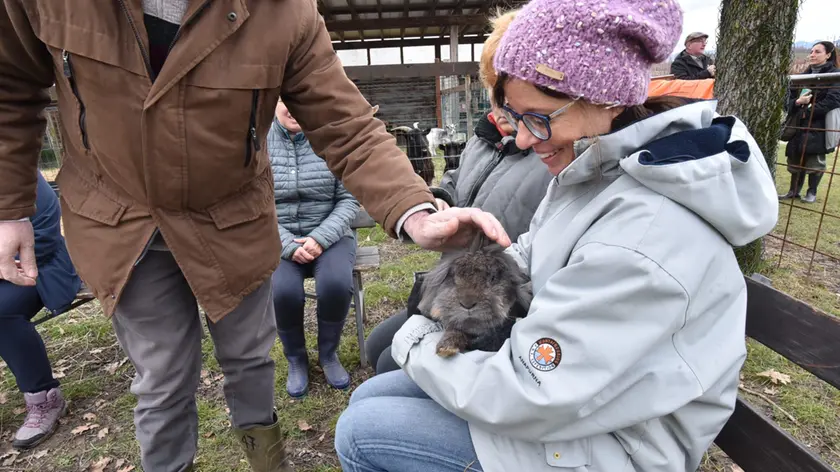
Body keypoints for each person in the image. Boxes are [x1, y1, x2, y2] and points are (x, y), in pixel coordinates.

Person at [0, 3, 508, 472]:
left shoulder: (283, 10)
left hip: (231, 220)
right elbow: (10, 86)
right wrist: (9, 209)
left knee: (247, 360)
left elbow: (344, 122)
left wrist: (412, 208)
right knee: (161, 378)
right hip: (122, 220)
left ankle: (268, 462)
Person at [334, 0, 779, 471]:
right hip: (579, 408)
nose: (523, 139)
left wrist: (416, 337)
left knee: (361, 430)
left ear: (607, 98)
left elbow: (534, 392)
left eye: (539, 117)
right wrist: (480, 253)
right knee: (373, 393)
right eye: (514, 115)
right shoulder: (598, 174)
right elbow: (537, 254)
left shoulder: (647, 234)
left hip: (616, 446)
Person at [363, 8, 553, 375]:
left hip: (499, 292)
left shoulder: (551, 158)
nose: (499, 110)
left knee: (390, 361)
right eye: (494, 96)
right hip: (456, 275)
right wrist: (438, 203)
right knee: (375, 345)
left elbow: (535, 251)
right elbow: (454, 182)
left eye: (513, 103)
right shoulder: (484, 142)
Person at [269, 101, 360, 398]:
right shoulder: (256, 143)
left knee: (335, 284)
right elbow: (254, 205)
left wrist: (320, 238)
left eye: (300, 99)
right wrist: (285, 244)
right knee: (282, 291)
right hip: (277, 238)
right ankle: (296, 358)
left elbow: (349, 200)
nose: (294, 107)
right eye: (285, 101)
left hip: (330, 236)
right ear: (273, 103)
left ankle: (328, 354)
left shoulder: (331, 140)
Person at [0, 172, 80, 450]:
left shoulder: (14, 169)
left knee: (1, 313)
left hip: (39, 266)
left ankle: (44, 398)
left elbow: (44, 232)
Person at [779, 41, 840, 203]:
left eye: (817, 52)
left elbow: (833, 101)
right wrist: (797, 103)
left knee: (815, 160)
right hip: (797, 124)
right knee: (794, 158)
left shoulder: (835, 76)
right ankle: (793, 191)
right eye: (811, 51)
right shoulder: (801, 77)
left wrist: (808, 111)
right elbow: (787, 100)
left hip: (819, 124)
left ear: (828, 55)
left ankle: (811, 192)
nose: (812, 54)